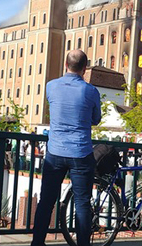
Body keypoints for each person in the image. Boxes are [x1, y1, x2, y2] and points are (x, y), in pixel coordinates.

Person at [31, 50, 101, 246]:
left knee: (46, 201)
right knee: (82, 204)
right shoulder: (90, 91)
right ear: (84, 69)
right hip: (80, 152)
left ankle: (37, 243)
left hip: (55, 151)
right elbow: (96, 119)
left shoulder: (51, 86)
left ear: (65, 64)